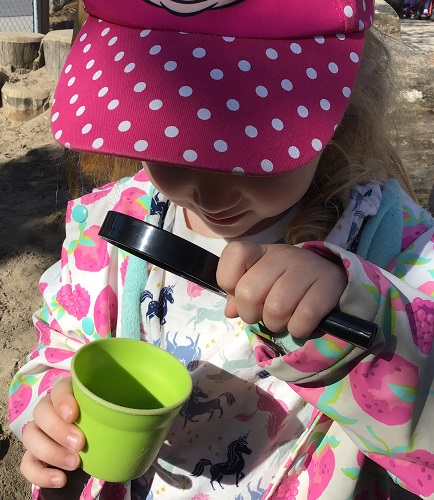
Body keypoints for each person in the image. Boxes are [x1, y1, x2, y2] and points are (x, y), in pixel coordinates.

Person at [8, 0, 434, 498]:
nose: (209, 197)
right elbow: (58, 347)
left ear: (339, 107)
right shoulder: (112, 225)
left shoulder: (395, 242)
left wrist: (360, 316)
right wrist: (49, 409)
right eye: (173, 141)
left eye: (252, 153)